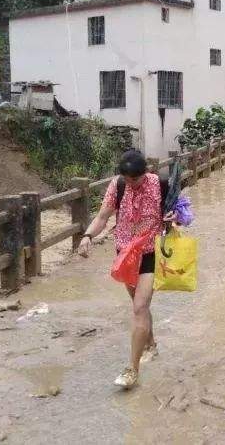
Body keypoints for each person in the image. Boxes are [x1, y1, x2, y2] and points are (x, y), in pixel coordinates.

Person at [77, 149, 190, 389]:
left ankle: (132, 370)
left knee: (139, 307)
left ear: (145, 173)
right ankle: (151, 345)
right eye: (127, 179)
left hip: (150, 254)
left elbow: (183, 217)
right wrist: (87, 236)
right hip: (125, 256)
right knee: (139, 306)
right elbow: (102, 217)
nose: (131, 184)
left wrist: (174, 217)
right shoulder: (117, 186)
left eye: (135, 180)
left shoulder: (160, 185)